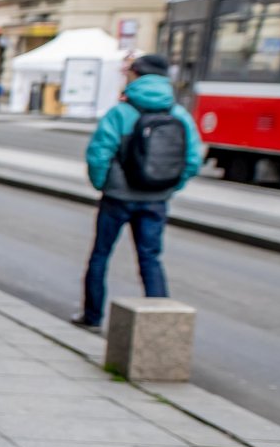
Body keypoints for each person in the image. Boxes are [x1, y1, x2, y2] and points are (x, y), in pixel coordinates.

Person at [73, 53, 203, 329]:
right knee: (150, 257)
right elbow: (193, 160)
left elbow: (98, 155)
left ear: (136, 74)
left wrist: (104, 185)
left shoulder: (121, 112)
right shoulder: (178, 113)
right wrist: (169, 188)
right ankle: (159, 322)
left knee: (101, 255)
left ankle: (92, 316)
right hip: (156, 199)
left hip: (117, 197)